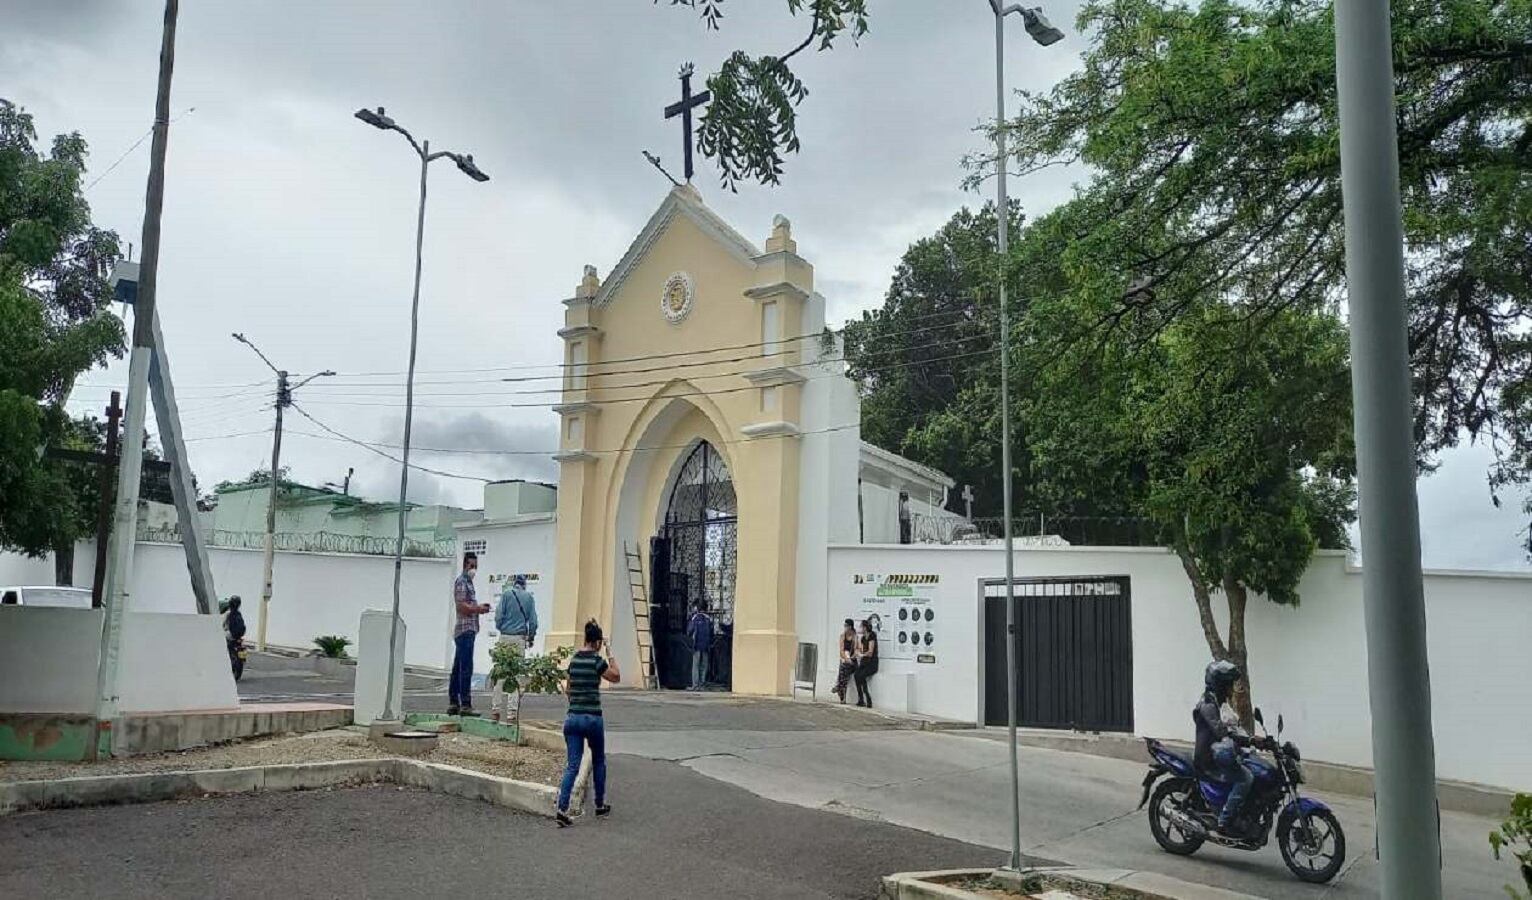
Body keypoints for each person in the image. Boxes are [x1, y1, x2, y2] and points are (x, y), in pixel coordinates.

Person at [557, 618, 621, 827]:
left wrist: (576, 702)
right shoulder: (596, 660)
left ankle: (562, 808)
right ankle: (600, 804)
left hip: (573, 718)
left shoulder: (574, 660)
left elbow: (568, 689)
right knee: (599, 760)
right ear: (598, 642)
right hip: (593, 718)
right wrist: (610, 653)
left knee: (572, 765)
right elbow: (616, 677)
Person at [1194, 659, 1263, 837]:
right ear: (1219, 684)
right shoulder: (1207, 705)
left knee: (1256, 769)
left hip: (1223, 753)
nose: (1232, 689)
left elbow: (1234, 727)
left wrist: (1252, 741)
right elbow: (1221, 731)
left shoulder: (1219, 703)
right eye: (1229, 685)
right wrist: (1250, 741)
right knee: (1245, 778)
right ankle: (1224, 822)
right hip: (1209, 758)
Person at [491, 574, 540, 722]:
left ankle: (495, 710)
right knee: (516, 676)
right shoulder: (529, 598)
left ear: (514, 584)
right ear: (524, 585)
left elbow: (498, 616)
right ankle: (512, 713)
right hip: (519, 639)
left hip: (505, 637)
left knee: (500, 674)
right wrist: (531, 637)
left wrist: (501, 627)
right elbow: (533, 622)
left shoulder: (506, 594)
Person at [449, 551, 492, 716]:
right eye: (471, 566)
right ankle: (465, 704)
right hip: (465, 629)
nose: (473, 569)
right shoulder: (462, 582)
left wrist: (478, 607)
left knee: (458, 667)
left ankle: (454, 702)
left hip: (468, 629)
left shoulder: (469, 583)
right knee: (465, 667)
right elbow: (461, 606)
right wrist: (478, 609)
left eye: (475, 566)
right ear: (465, 565)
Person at [685, 604, 713, 691]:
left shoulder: (695, 618)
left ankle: (695, 685)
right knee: (704, 665)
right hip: (706, 645)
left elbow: (689, 631)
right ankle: (702, 684)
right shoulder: (709, 619)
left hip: (696, 645)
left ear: (697, 608)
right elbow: (712, 632)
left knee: (695, 665)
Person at [853, 618, 879, 708]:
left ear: (865, 627)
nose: (860, 629)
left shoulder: (872, 636)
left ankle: (867, 697)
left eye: (861, 627)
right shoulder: (863, 638)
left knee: (862, 675)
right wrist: (858, 652)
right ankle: (861, 698)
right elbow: (862, 649)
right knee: (856, 675)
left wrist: (862, 655)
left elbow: (870, 652)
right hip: (865, 662)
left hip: (872, 663)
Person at [223, 596, 247, 681]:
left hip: (230, 635)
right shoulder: (238, 613)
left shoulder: (228, 613)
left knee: (222, 642)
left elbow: (222, 623)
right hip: (239, 636)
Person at [832, 618, 856, 702]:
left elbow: (856, 650)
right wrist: (846, 659)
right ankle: (842, 694)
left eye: (846, 626)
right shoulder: (842, 636)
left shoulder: (854, 637)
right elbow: (841, 650)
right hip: (845, 659)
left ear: (850, 627)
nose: (845, 627)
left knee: (843, 670)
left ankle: (839, 688)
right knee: (844, 669)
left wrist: (851, 658)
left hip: (853, 660)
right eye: (844, 626)